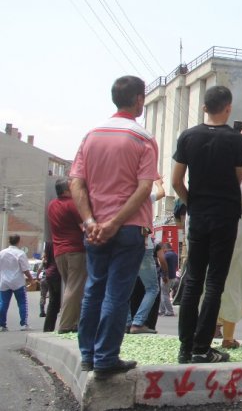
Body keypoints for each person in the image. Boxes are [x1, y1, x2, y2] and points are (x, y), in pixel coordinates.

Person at [70, 75, 159, 377]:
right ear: (138, 99)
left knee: (94, 288)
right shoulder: (142, 138)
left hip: (94, 229)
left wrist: (91, 221)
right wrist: (115, 222)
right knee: (116, 293)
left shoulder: (91, 135)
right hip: (128, 227)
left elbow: (76, 182)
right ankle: (106, 357)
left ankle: (88, 354)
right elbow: (145, 187)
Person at [172, 85, 242, 364]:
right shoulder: (236, 140)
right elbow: (238, 177)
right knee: (215, 282)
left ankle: (185, 347)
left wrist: (192, 202)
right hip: (225, 215)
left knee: (193, 280)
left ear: (204, 107)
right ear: (228, 107)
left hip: (199, 215)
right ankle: (203, 347)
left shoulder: (187, 137)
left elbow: (176, 180)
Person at [216, 178, 242, 350]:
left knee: (208, 285)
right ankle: (228, 337)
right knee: (234, 285)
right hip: (238, 237)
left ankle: (206, 331)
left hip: (205, 234)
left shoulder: (202, 171)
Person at [47, 177, 86, 334]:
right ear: (66, 190)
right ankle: (66, 324)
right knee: (75, 287)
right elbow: (85, 226)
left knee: (71, 286)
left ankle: (74, 322)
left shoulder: (51, 206)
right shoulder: (72, 205)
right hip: (75, 250)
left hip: (59, 252)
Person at [127, 177, 165, 334]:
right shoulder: (146, 198)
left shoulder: (124, 199)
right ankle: (138, 322)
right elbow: (161, 193)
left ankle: (127, 321)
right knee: (152, 287)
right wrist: (158, 183)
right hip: (144, 246)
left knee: (126, 286)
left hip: (127, 244)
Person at [0, 234, 34, 331]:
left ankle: (2, 325)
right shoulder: (20, 254)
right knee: (22, 303)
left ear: (9, 241)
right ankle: (24, 324)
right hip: (18, 282)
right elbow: (25, 270)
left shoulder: (2, 253)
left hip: (4, 282)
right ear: (18, 241)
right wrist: (31, 279)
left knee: (3, 303)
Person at [41, 242, 61, 332]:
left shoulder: (49, 241)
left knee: (53, 303)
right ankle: (67, 327)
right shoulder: (61, 238)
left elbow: (44, 259)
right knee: (62, 301)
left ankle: (48, 329)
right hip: (58, 273)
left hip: (50, 274)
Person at [159, 243, 178, 317]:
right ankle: (162, 310)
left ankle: (169, 311)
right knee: (164, 293)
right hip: (173, 276)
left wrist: (164, 276)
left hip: (166, 277)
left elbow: (163, 266)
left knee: (164, 294)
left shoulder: (166, 255)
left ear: (165, 248)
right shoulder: (175, 255)